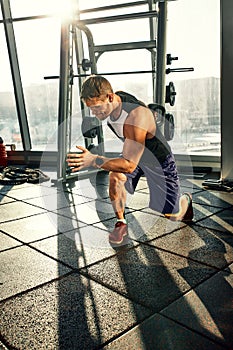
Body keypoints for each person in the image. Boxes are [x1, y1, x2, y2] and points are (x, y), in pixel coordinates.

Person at [67, 75, 193, 245]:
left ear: (110, 97)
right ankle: (121, 223)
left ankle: (186, 200)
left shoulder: (135, 118)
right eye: (90, 108)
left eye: (96, 107)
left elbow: (128, 165)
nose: (94, 113)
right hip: (132, 153)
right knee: (115, 177)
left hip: (158, 159)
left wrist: (94, 160)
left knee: (172, 215)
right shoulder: (117, 99)